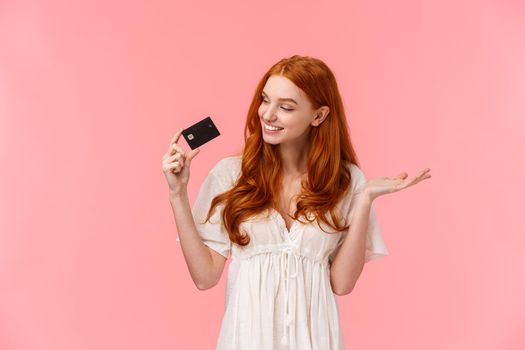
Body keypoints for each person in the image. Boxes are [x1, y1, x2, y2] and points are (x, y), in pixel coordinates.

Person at [161, 55, 431, 349]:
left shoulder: (346, 181)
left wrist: (364, 199)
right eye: (265, 100)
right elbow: (204, 277)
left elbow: (342, 284)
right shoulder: (231, 175)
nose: (267, 114)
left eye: (286, 107)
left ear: (319, 116)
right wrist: (177, 194)